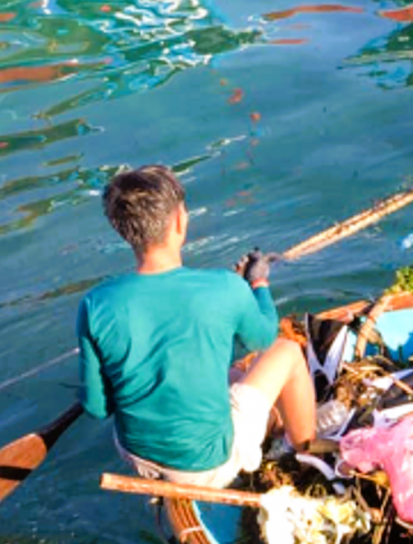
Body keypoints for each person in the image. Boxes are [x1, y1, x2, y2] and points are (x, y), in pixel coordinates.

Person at [77, 164, 316, 488]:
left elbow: (97, 407)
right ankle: (309, 457)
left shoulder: (95, 304)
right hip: (207, 465)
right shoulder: (225, 287)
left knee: (233, 375)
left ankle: (273, 428)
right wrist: (258, 285)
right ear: (179, 221)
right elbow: (262, 338)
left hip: (137, 455)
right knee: (287, 352)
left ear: (123, 230)